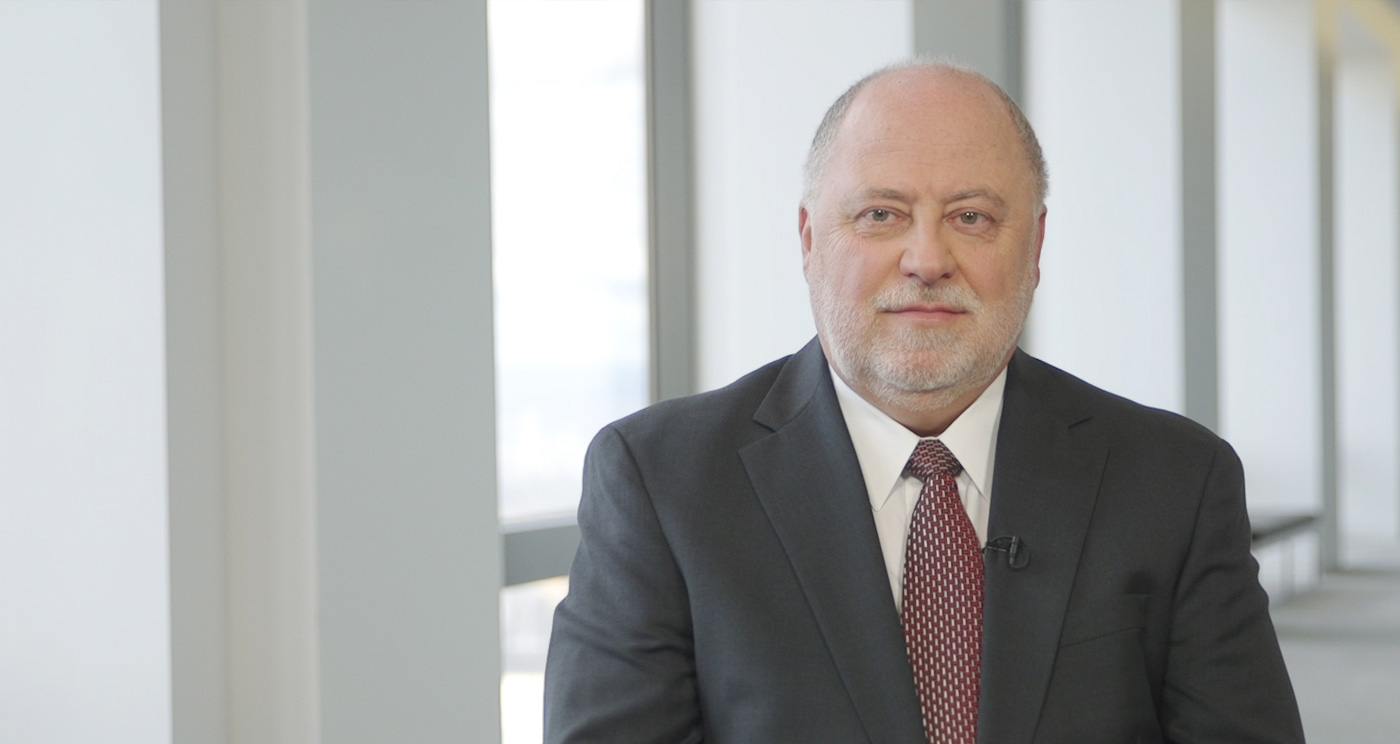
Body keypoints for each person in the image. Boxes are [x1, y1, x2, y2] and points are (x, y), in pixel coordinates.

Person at [543, 60, 1305, 744]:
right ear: (808, 240)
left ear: (1035, 247)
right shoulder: (661, 483)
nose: (928, 259)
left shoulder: (1176, 480)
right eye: (881, 214)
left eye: (972, 217)